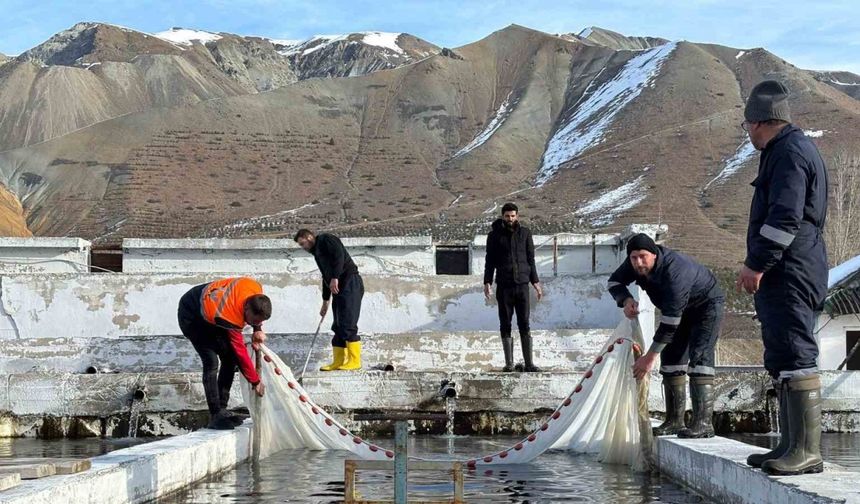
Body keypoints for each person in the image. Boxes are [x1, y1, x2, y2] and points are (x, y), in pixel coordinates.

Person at [735, 80, 828, 475]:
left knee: (795, 350)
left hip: (789, 268)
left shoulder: (788, 152)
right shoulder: (788, 149)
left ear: (757, 123)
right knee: (782, 353)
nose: (749, 135)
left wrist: (756, 263)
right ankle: (791, 446)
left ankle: (806, 451)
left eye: (748, 127)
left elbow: (784, 218)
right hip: (787, 268)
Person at [608, 234, 724, 438]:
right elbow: (614, 282)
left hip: (705, 307)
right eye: (634, 258)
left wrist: (649, 358)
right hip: (676, 312)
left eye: (643, 257)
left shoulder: (675, 272)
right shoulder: (633, 264)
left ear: (654, 254)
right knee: (671, 362)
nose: (638, 262)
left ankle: (704, 423)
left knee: (700, 359)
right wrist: (625, 300)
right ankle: (674, 421)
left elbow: (670, 324)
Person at [178, 276, 268, 430]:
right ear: (246, 308)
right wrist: (255, 381)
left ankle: (222, 409)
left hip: (212, 311)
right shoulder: (229, 315)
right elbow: (239, 350)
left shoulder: (255, 289)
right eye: (251, 320)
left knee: (229, 360)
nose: (250, 324)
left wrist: (258, 329)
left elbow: (256, 312)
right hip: (191, 315)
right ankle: (215, 415)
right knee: (211, 361)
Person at [483, 202, 544, 372]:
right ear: (503, 216)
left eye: (512, 216)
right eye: (507, 216)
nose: (510, 219)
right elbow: (490, 261)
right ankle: (509, 364)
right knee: (505, 323)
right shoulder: (494, 236)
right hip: (504, 286)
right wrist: (487, 281)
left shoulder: (525, 234)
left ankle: (529, 363)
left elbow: (531, 260)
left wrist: (536, 283)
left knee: (524, 322)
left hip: (522, 285)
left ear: (517, 216)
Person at [294, 229, 364, 371]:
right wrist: (325, 301)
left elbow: (339, 256)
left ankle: (355, 361)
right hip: (337, 288)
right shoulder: (317, 254)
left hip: (350, 283)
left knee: (348, 322)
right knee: (338, 325)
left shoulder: (326, 239)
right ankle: (338, 361)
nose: (304, 248)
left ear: (309, 237)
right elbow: (325, 276)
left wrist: (335, 278)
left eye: (303, 244)